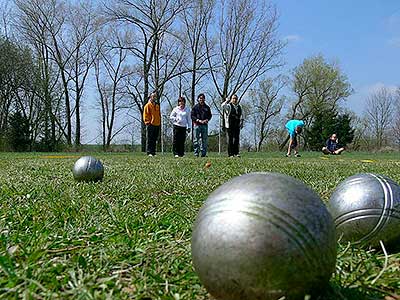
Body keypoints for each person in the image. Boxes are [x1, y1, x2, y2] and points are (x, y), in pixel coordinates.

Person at [143, 91, 161, 156]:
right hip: (150, 124)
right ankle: (149, 152)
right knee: (150, 139)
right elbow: (145, 115)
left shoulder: (157, 105)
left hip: (157, 124)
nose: (154, 97)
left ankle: (153, 152)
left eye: (155, 96)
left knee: (154, 139)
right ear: (150, 97)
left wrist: (159, 122)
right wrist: (147, 123)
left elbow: (159, 114)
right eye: (153, 96)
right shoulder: (147, 105)